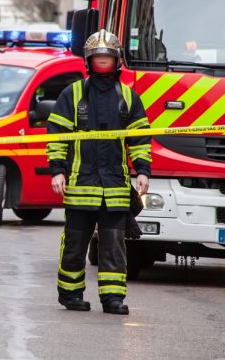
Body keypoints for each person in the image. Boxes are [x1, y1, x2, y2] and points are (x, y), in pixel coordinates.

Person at [46, 30, 152, 315]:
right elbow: (57, 136)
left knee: (114, 248)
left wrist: (142, 170)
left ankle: (113, 299)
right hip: (80, 185)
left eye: (108, 58)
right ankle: (70, 294)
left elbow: (140, 138)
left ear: (117, 61)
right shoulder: (73, 94)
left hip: (115, 189)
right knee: (74, 246)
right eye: (98, 58)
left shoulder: (129, 98)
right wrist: (57, 171)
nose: (103, 62)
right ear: (88, 61)